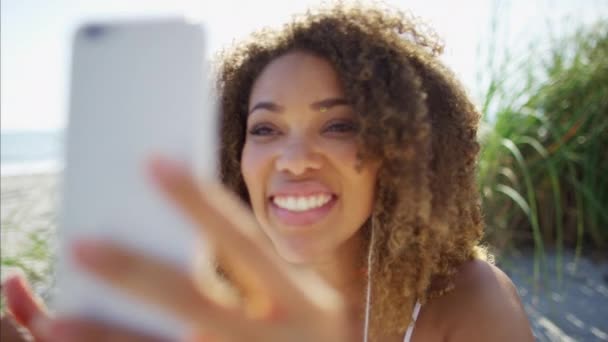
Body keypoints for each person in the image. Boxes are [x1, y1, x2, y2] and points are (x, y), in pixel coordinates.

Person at [1, 3, 534, 341]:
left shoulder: (467, 302)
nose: (295, 158)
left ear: (401, 151)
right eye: (265, 129)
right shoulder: (207, 304)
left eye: (339, 125)